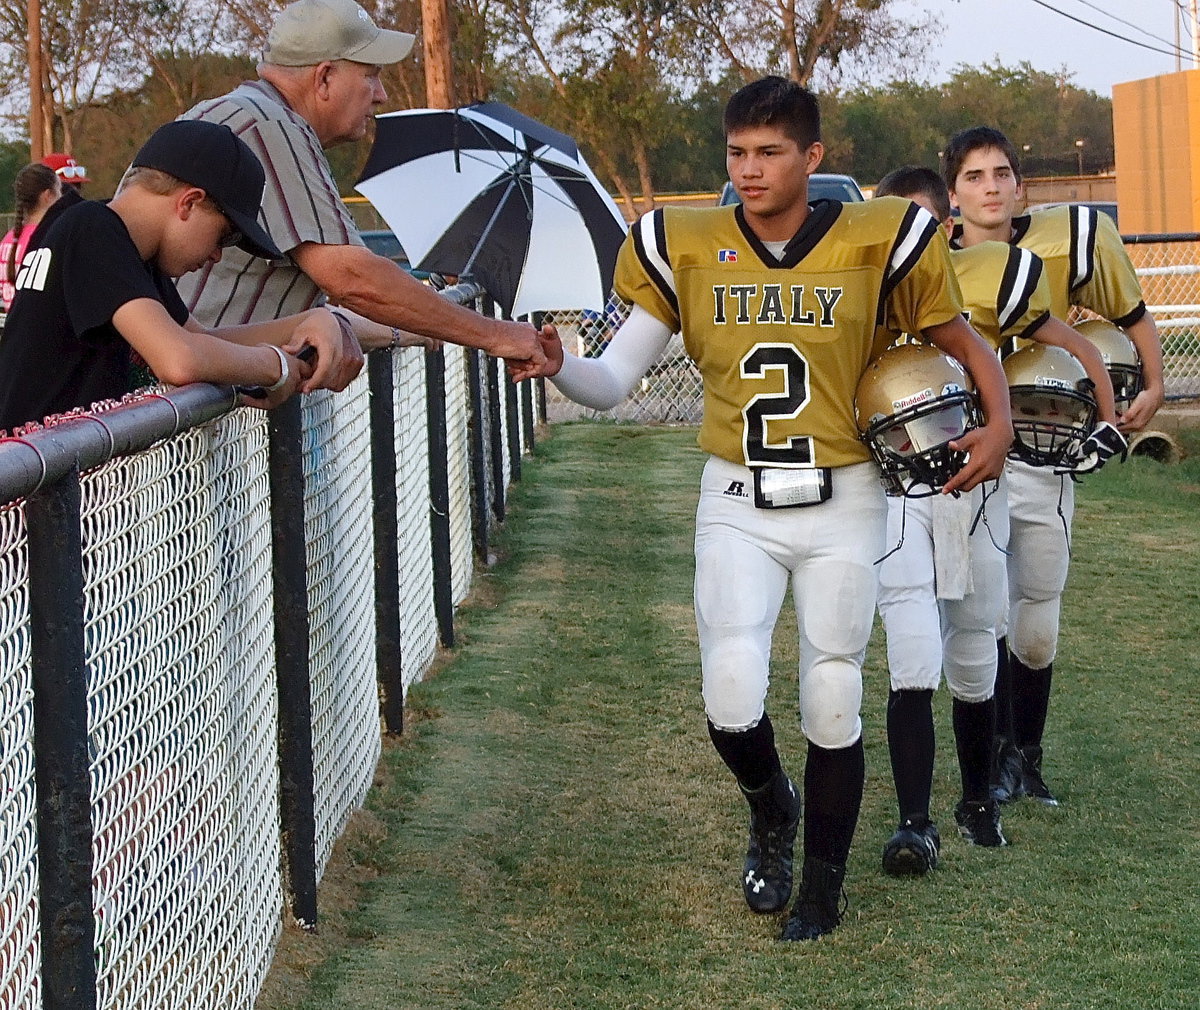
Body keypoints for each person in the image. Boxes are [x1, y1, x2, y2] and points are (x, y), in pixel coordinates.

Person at [512, 77, 1014, 940]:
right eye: (737, 152)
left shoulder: (878, 238)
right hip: (737, 495)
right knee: (731, 691)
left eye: (770, 152)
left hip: (846, 495)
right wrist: (558, 362)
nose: (749, 170)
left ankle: (822, 884)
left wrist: (1000, 420)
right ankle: (771, 807)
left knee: (830, 691)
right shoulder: (688, 243)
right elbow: (612, 379)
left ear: (812, 158)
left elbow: (962, 345)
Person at [868, 166, 1121, 875]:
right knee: (913, 652)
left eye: (917, 225)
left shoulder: (989, 274)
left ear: (944, 227)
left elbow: (1075, 344)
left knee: (977, 648)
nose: (903, 240)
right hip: (892, 489)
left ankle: (977, 801)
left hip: (977, 486)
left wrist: (1104, 414)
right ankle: (914, 823)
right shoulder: (851, 283)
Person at [942, 126, 1162, 806]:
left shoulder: (1072, 237)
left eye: (1001, 173)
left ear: (1020, 184)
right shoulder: (923, 255)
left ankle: (1026, 756)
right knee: (980, 610)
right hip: (969, 450)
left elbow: (1131, 312)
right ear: (953, 192)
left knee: (1036, 610)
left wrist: (1151, 384)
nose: (990, 187)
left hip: (1042, 443)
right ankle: (994, 755)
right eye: (975, 176)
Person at [175, 0, 546, 373]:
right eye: (370, 75)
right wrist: (499, 335)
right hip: (176, 405)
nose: (381, 94)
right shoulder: (272, 127)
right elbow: (353, 279)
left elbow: (322, 310)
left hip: (176, 397)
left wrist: (415, 327)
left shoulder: (239, 113)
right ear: (323, 79)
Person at [0, 119, 353, 432]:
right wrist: (275, 366)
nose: (216, 254)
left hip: (57, 481)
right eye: (225, 235)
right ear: (189, 203)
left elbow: (200, 338)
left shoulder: (123, 242)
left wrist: (315, 321)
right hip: (35, 490)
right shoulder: (95, 228)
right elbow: (179, 358)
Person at [2, 164, 61, 311]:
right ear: (48, 196)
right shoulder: (47, 238)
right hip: (38, 328)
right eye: (59, 191)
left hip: (12, 327)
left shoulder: (8, 240)